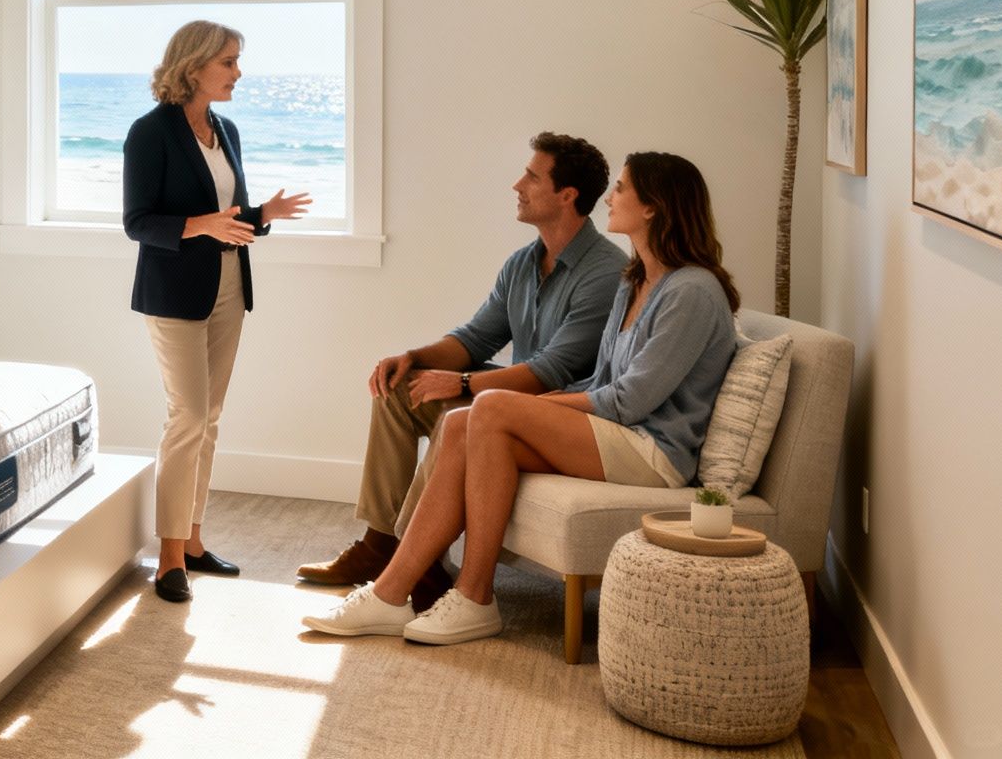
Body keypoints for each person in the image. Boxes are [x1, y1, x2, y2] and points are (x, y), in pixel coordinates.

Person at [302, 151, 739, 644]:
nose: (611, 198)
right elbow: (595, 377)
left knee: (485, 408)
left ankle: (473, 595)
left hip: (653, 451)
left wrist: (533, 404)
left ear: (655, 208)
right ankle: (392, 593)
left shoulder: (692, 292)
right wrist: (427, 361)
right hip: (616, 432)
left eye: (621, 188)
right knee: (467, 423)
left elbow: (629, 401)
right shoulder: (635, 280)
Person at [296, 133, 626, 611]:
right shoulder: (522, 264)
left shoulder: (604, 273)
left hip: (553, 416)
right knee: (399, 389)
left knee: (454, 407)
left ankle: (418, 557)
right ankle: (379, 543)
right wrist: (414, 357)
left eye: (532, 176)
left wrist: (464, 383)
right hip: (508, 401)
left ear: (567, 195)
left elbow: (551, 370)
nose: (518, 184)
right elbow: (475, 338)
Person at [123, 20, 312, 603]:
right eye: (228, 61)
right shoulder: (149, 132)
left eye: (236, 61)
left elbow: (227, 215)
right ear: (195, 65)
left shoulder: (225, 129)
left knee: (210, 417)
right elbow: (138, 223)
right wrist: (204, 225)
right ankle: (169, 558)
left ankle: (196, 542)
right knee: (187, 416)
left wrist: (264, 213)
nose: (237, 72)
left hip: (229, 282)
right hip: (175, 292)